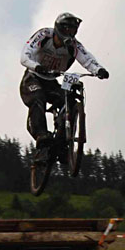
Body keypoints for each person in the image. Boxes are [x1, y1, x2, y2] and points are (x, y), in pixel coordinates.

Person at [19, 13, 109, 160]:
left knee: (69, 101)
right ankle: (41, 135)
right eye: (67, 29)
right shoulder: (44, 35)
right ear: (59, 28)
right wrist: (36, 66)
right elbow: (24, 56)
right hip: (33, 77)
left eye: (73, 30)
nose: (70, 33)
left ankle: (61, 145)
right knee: (38, 98)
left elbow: (87, 59)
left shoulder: (74, 45)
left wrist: (99, 70)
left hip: (51, 82)